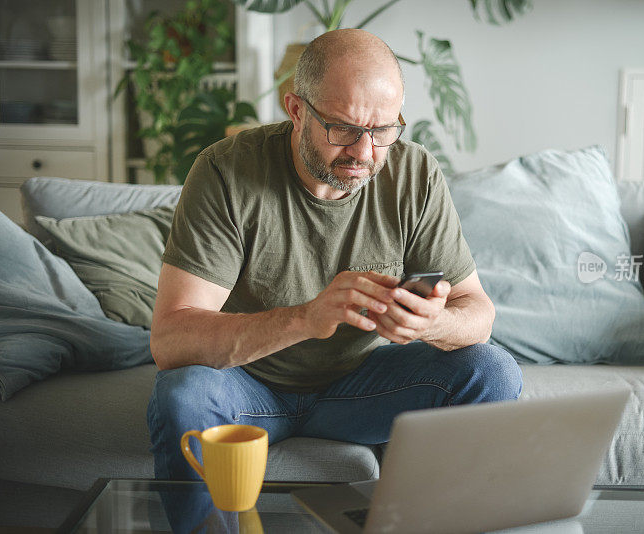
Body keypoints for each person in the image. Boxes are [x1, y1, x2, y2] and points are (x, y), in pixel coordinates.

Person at [147, 28, 522, 481]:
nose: (365, 152)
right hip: (244, 386)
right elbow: (170, 341)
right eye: (343, 128)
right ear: (297, 110)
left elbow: (477, 311)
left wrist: (432, 323)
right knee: (181, 394)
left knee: (492, 370)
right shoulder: (225, 171)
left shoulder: (415, 172)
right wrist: (306, 318)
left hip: (361, 385)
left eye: (383, 130)